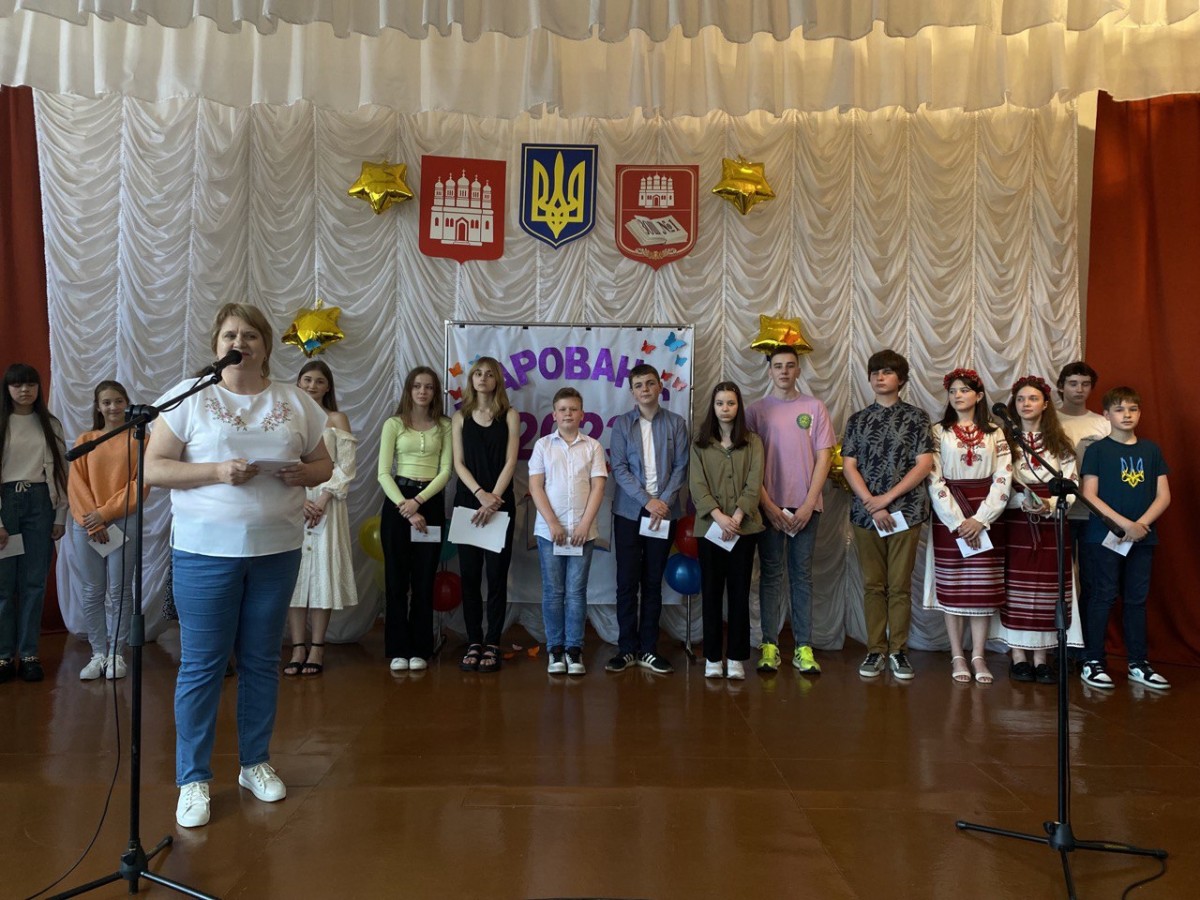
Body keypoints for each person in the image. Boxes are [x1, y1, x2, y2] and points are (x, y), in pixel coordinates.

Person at [144, 303, 332, 829]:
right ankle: (193, 779)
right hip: (205, 551)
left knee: (261, 661)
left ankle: (254, 763)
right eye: (230, 334)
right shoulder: (190, 397)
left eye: (250, 335)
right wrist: (216, 472)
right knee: (202, 665)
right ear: (216, 344)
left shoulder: (294, 401)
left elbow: (324, 463)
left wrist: (305, 474)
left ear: (266, 345)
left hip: (276, 549)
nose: (240, 343)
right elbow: (154, 468)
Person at [841, 350, 934, 680]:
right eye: (875, 372)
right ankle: (875, 649)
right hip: (866, 515)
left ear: (902, 379)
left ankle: (899, 651)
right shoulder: (858, 420)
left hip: (905, 512)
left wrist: (887, 499)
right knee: (873, 585)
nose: (880, 377)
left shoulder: (917, 418)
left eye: (887, 372)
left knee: (899, 586)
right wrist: (871, 502)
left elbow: (924, 464)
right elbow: (849, 465)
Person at [745, 345, 834, 674]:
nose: (784, 371)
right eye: (778, 366)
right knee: (770, 575)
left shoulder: (815, 407)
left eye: (790, 365)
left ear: (798, 370)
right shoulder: (755, 411)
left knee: (801, 576)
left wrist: (809, 504)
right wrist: (767, 506)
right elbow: (748, 464)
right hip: (768, 507)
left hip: (806, 508)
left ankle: (803, 647)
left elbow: (824, 457)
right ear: (769, 371)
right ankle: (769, 644)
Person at [1079, 387, 1172, 691]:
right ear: (1107, 415)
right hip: (1104, 537)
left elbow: (1163, 495)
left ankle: (1138, 663)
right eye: (1119, 409)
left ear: (1140, 413)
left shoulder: (1151, 450)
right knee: (1102, 596)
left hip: (1142, 537)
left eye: (1133, 409)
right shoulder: (1097, 450)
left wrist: (1140, 525)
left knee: (1136, 600)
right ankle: (1093, 660)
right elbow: (1089, 495)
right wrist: (1124, 525)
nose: (1127, 415)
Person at [923, 367, 1012, 685]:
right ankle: (957, 654)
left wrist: (982, 518)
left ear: (979, 395)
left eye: (964, 390)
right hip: (950, 515)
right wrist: (958, 522)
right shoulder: (938, 432)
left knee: (983, 589)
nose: (957, 396)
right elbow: (933, 477)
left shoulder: (995, 432)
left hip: (986, 514)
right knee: (955, 586)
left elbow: (1004, 475)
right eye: (952, 391)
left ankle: (978, 654)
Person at [994, 375, 1082, 684]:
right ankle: (1018, 656)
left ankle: (1042, 657)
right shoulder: (1004, 441)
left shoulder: (1059, 442)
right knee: (1015, 587)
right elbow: (997, 481)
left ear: (1045, 404)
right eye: (1020, 399)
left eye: (1032, 398)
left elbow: (1072, 483)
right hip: (1016, 523)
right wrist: (1021, 500)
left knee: (1048, 589)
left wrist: (1048, 504)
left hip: (1051, 524)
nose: (1026, 404)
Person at [606, 364, 690, 675]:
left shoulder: (676, 423)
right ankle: (627, 648)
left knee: (653, 581)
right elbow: (619, 467)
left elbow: (681, 467)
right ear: (632, 392)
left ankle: (649, 650)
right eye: (639, 385)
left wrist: (662, 502)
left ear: (659, 387)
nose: (645, 389)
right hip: (630, 513)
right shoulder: (622, 425)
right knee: (627, 582)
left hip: (664, 512)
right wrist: (647, 501)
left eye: (650, 383)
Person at [67, 380, 148, 680]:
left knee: (119, 590)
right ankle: (98, 653)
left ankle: (116, 654)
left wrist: (105, 513)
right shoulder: (86, 440)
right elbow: (76, 484)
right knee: (92, 590)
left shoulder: (141, 439)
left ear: (127, 403)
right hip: (86, 524)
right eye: (106, 402)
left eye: (118, 401)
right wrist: (94, 519)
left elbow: (140, 484)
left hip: (123, 520)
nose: (113, 407)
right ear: (98, 407)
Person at [285, 361, 358, 678]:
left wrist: (323, 498)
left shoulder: (337, 419)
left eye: (318, 381)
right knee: (295, 576)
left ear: (328, 386)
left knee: (323, 575)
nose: (312, 386)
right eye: (306, 380)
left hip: (329, 504)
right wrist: (300, 499)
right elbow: (282, 463)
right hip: (293, 505)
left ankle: (317, 646)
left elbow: (346, 466)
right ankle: (297, 647)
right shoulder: (288, 417)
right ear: (298, 383)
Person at [528, 387, 607, 676]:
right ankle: (555, 649)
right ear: (554, 415)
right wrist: (552, 523)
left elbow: (598, 487)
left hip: (582, 533)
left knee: (576, 592)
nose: (568, 414)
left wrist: (584, 524)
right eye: (563, 409)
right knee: (553, 592)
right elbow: (536, 486)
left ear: (582, 414)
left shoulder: (593, 447)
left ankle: (574, 649)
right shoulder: (543, 446)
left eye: (573, 409)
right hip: (550, 532)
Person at [377, 366, 452, 672]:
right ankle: (398, 648)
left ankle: (421, 647)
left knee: (423, 580)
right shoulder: (393, 424)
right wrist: (405, 506)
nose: (423, 391)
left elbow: (446, 471)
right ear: (409, 390)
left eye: (429, 387)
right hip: (398, 503)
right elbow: (383, 473)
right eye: (417, 386)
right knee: (396, 581)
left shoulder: (444, 425)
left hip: (429, 504)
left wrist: (418, 502)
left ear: (435, 392)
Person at [690, 382, 764, 680]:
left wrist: (737, 517)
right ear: (713, 406)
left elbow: (754, 482)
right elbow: (697, 485)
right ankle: (712, 657)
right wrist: (719, 517)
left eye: (730, 403)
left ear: (738, 406)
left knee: (739, 593)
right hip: (710, 528)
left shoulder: (753, 442)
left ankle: (735, 657)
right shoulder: (700, 443)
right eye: (720, 403)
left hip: (743, 529)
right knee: (710, 592)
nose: (725, 408)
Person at [0, 363, 68, 684]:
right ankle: (3, 655)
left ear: (39, 388)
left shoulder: (49, 423)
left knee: (34, 583)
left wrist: (60, 515)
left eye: (30, 384)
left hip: (40, 503)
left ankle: (28, 654)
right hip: (6, 505)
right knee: (3, 586)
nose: (24, 390)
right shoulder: (2, 421)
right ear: (8, 389)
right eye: (17, 385)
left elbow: (61, 472)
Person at [451, 357, 519, 673]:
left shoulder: (510, 415)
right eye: (477, 373)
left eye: (489, 374)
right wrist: (480, 494)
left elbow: (510, 461)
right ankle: (474, 641)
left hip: (500, 505)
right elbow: (458, 463)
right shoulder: (459, 417)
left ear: (497, 381)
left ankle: (492, 641)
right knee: (469, 576)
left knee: (496, 577)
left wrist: (493, 500)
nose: (482, 378)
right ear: (471, 379)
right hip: (468, 503)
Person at [1055, 361, 1110, 663]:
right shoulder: (1050, 420)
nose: (1079, 389)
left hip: (1092, 514)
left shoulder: (1102, 423)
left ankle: (1086, 649)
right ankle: (1055, 647)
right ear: (1061, 386)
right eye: (1073, 383)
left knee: (1090, 581)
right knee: (1059, 582)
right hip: (1058, 511)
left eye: (1085, 384)